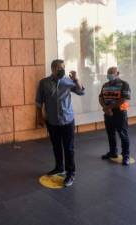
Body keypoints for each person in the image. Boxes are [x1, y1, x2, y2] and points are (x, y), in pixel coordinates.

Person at [36, 59, 85, 187]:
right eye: (58, 67)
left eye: (62, 67)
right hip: (52, 121)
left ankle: (70, 173)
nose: (61, 69)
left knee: (68, 148)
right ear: (52, 69)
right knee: (56, 146)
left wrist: (76, 79)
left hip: (67, 120)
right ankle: (59, 167)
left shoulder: (69, 81)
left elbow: (81, 92)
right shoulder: (44, 83)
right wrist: (39, 117)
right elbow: (38, 101)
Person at [99, 67, 131, 166]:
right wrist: (105, 108)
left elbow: (124, 99)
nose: (109, 74)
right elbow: (100, 97)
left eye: (111, 73)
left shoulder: (124, 84)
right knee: (110, 134)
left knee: (123, 134)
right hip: (108, 113)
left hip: (120, 112)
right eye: (108, 73)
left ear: (117, 73)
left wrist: (109, 108)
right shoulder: (105, 85)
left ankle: (126, 155)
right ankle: (113, 152)